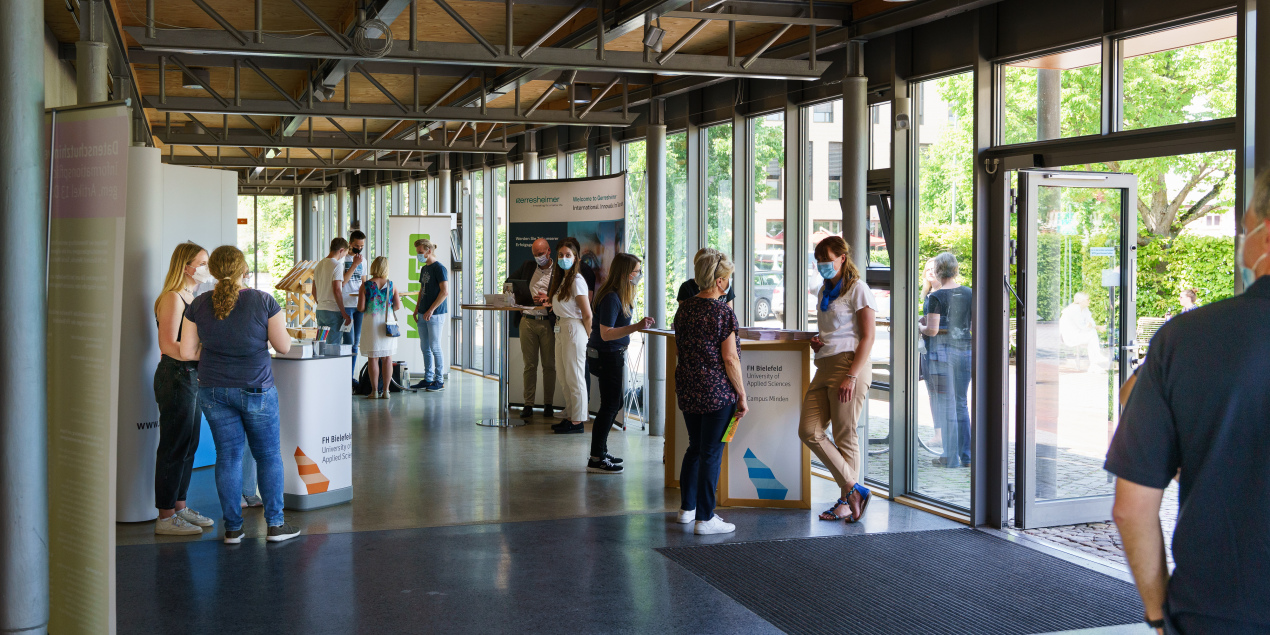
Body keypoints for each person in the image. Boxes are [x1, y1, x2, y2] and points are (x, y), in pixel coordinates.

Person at [1106, 173, 1270, 635]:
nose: (1242, 240)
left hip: (1217, 609)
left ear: (1266, 233)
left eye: (1245, 226)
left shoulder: (1188, 339)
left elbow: (1132, 506)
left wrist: (1158, 614)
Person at [180, 245, 301, 544]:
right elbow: (283, 346)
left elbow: (186, 351)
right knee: (268, 455)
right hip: (256, 387)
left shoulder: (197, 304)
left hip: (212, 390)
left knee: (229, 457)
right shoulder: (263, 301)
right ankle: (275, 525)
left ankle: (233, 528)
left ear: (214, 271)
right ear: (244, 269)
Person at [801, 236, 878, 523]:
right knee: (809, 430)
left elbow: (868, 337)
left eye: (827, 259)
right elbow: (836, 331)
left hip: (849, 366)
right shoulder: (824, 290)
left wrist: (851, 375)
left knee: (845, 434)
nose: (822, 265)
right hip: (825, 365)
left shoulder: (858, 289)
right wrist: (820, 342)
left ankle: (846, 502)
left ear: (842, 258)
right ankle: (854, 489)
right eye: (819, 260)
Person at [673, 251, 748, 535]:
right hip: (717, 393)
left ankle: (687, 509)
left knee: (695, 447)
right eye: (727, 278)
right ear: (719, 281)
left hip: (689, 389)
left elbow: (681, 349)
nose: (728, 283)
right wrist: (742, 394)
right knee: (711, 453)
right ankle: (705, 518)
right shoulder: (722, 312)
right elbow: (730, 359)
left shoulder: (684, 309)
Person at [151, 241, 215, 536]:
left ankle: (179, 506)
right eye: (201, 263)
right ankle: (165, 517)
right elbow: (168, 345)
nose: (205, 268)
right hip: (176, 376)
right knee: (174, 446)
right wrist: (206, 353)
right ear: (186, 266)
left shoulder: (192, 296)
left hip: (191, 376)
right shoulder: (174, 298)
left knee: (189, 445)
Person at [586, 253, 655, 473]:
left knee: (613, 404)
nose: (639, 275)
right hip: (607, 355)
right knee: (610, 405)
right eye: (636, 271)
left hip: (611, 355)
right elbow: (606, 334)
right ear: (626, 274)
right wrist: (636, 326)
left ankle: (601, 451)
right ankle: (596, 457)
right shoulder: (611, 298)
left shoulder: (617, 295)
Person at [918, 252, 972, 469]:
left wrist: (918, 327)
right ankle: (967, 456)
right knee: (961, 403)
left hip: (941, 356)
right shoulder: (970, 293)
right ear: (956, 269)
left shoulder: (935, 297)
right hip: (966, 353)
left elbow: (931, 330)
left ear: (939, 271)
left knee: (946, 405)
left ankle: (949, 457)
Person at [548, 237, 593, 434]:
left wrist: (591, 338)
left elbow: (587, 313)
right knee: (564, 375)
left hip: (574, 330)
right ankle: (570, 414)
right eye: (560, 255)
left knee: (575, 377)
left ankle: (578, 421)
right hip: (561, 328)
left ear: (575, 258)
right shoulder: (563, 279)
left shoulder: (577, 280)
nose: (564, 258)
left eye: (568, 255)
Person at [509, 238, 557, 419]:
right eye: (535, 255)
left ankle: (548, 404)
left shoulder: (558, 270)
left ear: (549, 251)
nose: (538, 258)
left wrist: (549, 297)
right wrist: (524, 297)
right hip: (527, 321)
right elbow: (510, 282)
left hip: (547, 322)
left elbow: (564, 293)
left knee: (549, 365)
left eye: (541, 254)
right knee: (529, 366)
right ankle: (528, 404)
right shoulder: (528, 266)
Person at [357, 256, 402, 399]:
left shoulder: (366, 285)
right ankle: (386, 391)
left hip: (371, 323)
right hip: (387, 323)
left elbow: (361, 307)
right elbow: (397, 306)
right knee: (388, 357)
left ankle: (374, 391)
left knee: (373, 358)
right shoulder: (391, 285)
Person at [411, 237, 449, 392]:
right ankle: (428, 378)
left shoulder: (439, 268)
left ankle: (439, 380)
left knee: (435, 346)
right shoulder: (424, 269)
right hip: (422, 312)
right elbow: (422, 290)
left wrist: (431, 309)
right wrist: (417, 308)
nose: (419, 255)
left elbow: (444, 292)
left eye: (421, 252)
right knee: (425, 347)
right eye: (417, 253)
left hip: (435, 314)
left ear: (429, 251)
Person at [340, 231, 368, 382]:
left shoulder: (364, 261)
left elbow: (363, 282)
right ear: (350, 243)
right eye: (356, 245)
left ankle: (350, 376)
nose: (359, 248)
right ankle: (345, 376)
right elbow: (342, 282)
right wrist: (354, 264)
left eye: (362, 246)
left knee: (356, 342)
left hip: (359, 305)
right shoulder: (343, 259)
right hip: (346, 304)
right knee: (348, 341)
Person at [314, 237, 351, 346]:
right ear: (341, 251)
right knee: (333, 347)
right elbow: (337, 290)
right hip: (333, 311)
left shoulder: (319, 265)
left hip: (320, 310)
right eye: (344, 255)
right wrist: (344, 313)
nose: (343, 258)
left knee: (320, 345)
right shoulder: (337, 265)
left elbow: (313, 290)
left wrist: (321, 303)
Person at [1059, 291, 1103, 369]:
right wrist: (1094, 326)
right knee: (1092, 334)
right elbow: (1083, 326)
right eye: (1087, 299)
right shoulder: (1074, 309)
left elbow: (1090, 321)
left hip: (1078, 334)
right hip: (1069, 336)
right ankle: (1095, 361)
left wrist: (1091, 325)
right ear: (1081, 301)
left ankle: (1095, 362)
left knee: (1092, 337)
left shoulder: (1084, 309)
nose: (1089, 301)